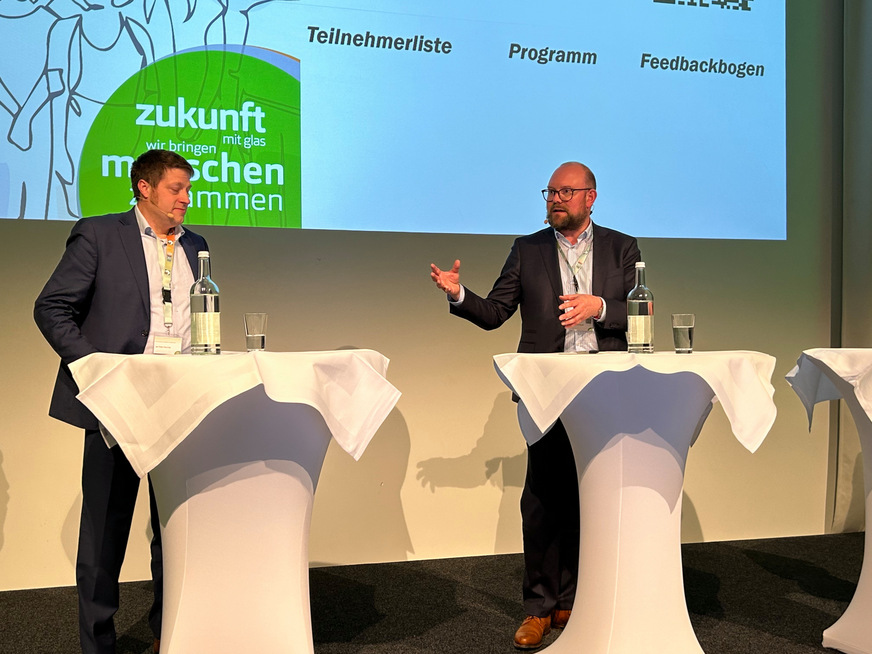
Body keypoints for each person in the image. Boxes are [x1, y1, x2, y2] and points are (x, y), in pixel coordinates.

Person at [430, 161, 641, 650]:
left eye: (566, 192)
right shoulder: (528, 249)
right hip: (545, 387)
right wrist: (459, 294)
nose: (555, 200)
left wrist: (599, 307)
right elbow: (495, 312)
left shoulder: (622, 247)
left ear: (591, 197)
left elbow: (640, 310)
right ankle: (540, 608)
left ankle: (577, 599)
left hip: (604, 386)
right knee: (544, 498)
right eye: (550, 192)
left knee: (593, 494)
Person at [34, 149, 209, 654]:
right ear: (144, 188)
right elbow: (51, 306)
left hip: (180, 400)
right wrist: (94, 366)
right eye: (176, 188)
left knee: (174, 527)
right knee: (106, 531)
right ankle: (99, 645)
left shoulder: (195, 244)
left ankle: (168, 634)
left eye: (189, 188)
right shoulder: (99, 234)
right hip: (119, 400)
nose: (186, 198)